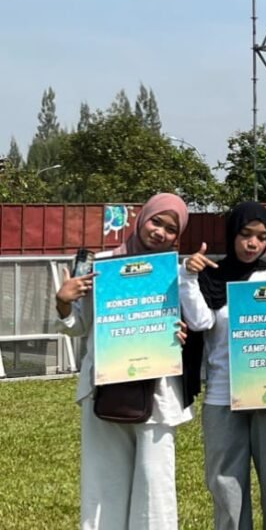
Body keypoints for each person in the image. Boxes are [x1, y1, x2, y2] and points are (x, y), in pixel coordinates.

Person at [55, 193, 195, 530]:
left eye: (171, 229)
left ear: (177, 237)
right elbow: (79, 326)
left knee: (154, 488)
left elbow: (200, 325)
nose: (160, 232)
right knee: (104, 486)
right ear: (141, 218)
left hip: (159, 394)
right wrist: (63, 302)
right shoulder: (102, 266)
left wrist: (182, 335)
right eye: (156, 221)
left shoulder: (176, 274)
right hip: (104, 388)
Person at [180, 201, 266, 530]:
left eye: (261, 237)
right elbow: (200, 322)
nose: (252, 243)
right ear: (231, 233)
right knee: (226, 483)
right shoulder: (209, 276)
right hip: (222, 396)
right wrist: (188, 276)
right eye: (245, 234)